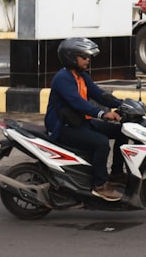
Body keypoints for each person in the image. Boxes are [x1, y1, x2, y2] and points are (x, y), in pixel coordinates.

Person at [44, 37, 127, 202]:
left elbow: (99, 94)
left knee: (121, 131)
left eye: (88, 56)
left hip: (80, 122)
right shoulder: (63, 78)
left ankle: (116, 174)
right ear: (71, 57)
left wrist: (123, 104)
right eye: (84, 56)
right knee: (101, 143)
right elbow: (77, 102)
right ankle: (100, 185)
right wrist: (102, 114)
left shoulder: (81, 76)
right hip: (63, 127)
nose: (88, 60)